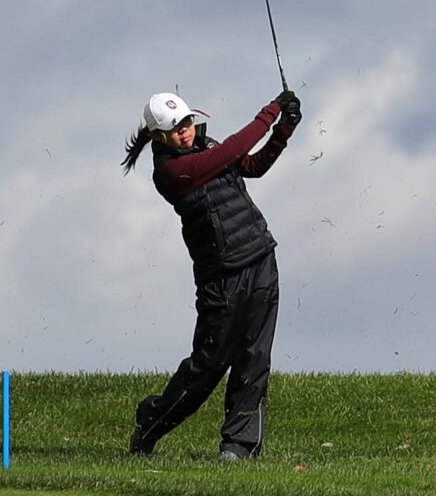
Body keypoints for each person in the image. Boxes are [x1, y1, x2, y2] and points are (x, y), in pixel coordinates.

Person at [120, 87, 302, 460]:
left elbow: (250, 165)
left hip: (260, 257)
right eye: (176, 128)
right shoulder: (171, 172)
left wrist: (283, 131)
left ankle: (238, 447)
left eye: (188, 121)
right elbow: (233, 151)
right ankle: (151, 422)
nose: (186, 131)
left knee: (255, 358)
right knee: (207, 368)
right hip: (221, 279)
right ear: (159, 137)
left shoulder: (205, 147)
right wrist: (270, 112)